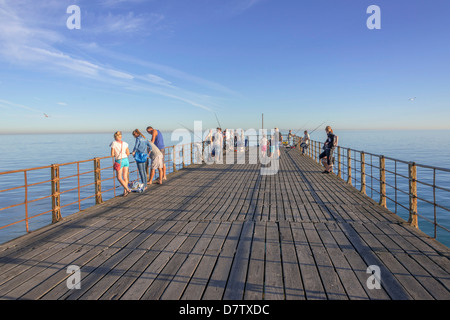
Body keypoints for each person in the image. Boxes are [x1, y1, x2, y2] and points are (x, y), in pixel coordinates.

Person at [110, 131, 131, 196]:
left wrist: (115, 154)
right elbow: (128, 153)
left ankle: (127, 189)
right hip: (126, 160)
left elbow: (112, 154)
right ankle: (125, 192)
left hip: (119, 161)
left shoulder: (114, 143)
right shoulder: (125, 143)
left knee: (119, 177)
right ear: (121, 137)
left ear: (115, 137)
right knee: (125, 177)